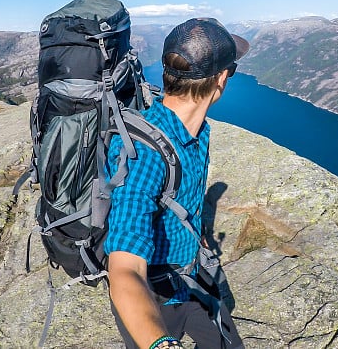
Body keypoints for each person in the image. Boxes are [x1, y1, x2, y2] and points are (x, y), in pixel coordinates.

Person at [105, 17, 249, 349]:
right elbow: (125, 270)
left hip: (191, 277)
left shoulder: (198, 131)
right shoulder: (144, 156)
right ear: (222, 79)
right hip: (155, 296)